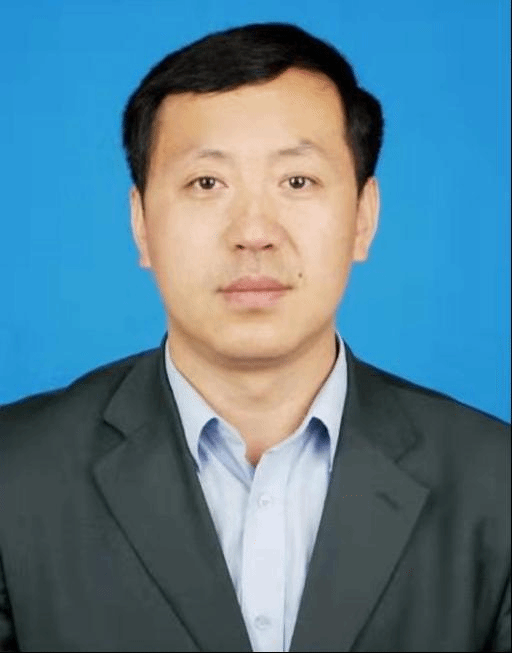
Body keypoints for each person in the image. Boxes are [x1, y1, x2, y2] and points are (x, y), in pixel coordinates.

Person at [0, 22, 509, 653]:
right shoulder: (13, 474)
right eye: (206, 184)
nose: (254, 233)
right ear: (141, 224)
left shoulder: (496, 483)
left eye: (297, 181)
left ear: (363, 217)